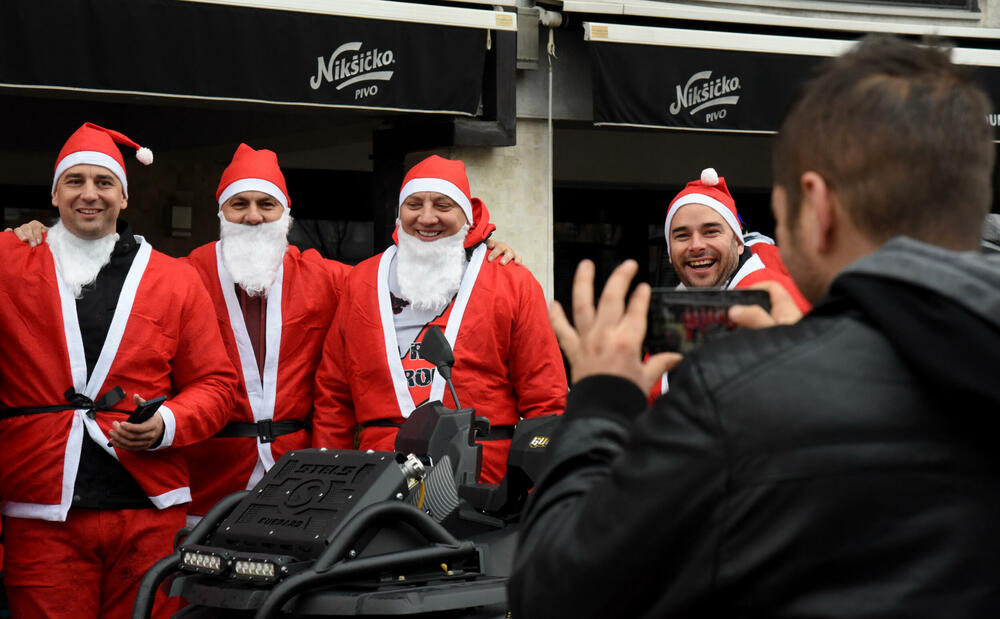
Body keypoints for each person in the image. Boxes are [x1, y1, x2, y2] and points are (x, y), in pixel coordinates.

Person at [511, 34, 1000, 618]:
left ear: (817, 208)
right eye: (681, 236)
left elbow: (557, 590)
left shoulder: (732, 397)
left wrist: (600, 403)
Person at [0, 123, 238, 618]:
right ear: (54, 193)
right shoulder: (10, 261)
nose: (90, 194)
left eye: (104, 183)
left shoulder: (175, 278)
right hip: (41, 506)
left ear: (124, 198)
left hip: (149, 510)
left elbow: (217, 385)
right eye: (75, 181)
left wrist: (166, 424)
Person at [312, 155, 567, 483]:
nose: (427, 217)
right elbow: (333, 395)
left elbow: (546, 398)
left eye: (443, 205)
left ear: (467, 216)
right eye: (414, 204)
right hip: (377, 478)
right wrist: (329, 480)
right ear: (399, 212)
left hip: (483, 475)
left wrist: (537, 493)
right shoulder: (361, 280)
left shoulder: (511, 281)